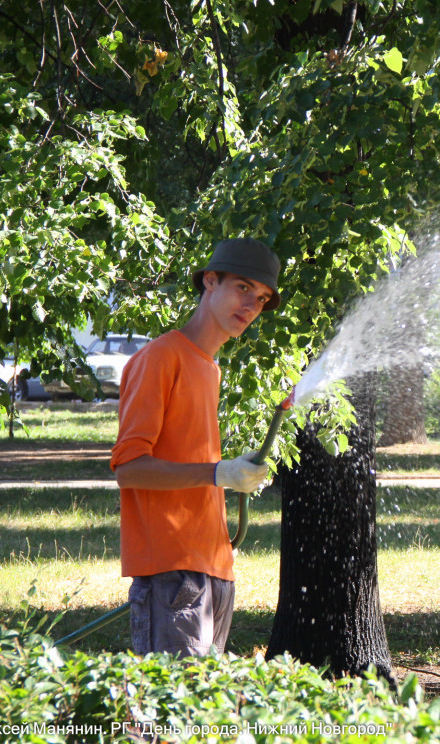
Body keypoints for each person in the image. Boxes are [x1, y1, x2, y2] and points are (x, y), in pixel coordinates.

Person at [110, 238, 282, 656]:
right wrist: (216, 473)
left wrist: (226, 476)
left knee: (200, 718)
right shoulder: (160, 358)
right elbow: (129, 468)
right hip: (173, 574)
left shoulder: (209, 368)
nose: (251, 305)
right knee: (170, 719)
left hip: (214, 571)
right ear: (210, 280)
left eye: (260, 299)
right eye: (243, 287)